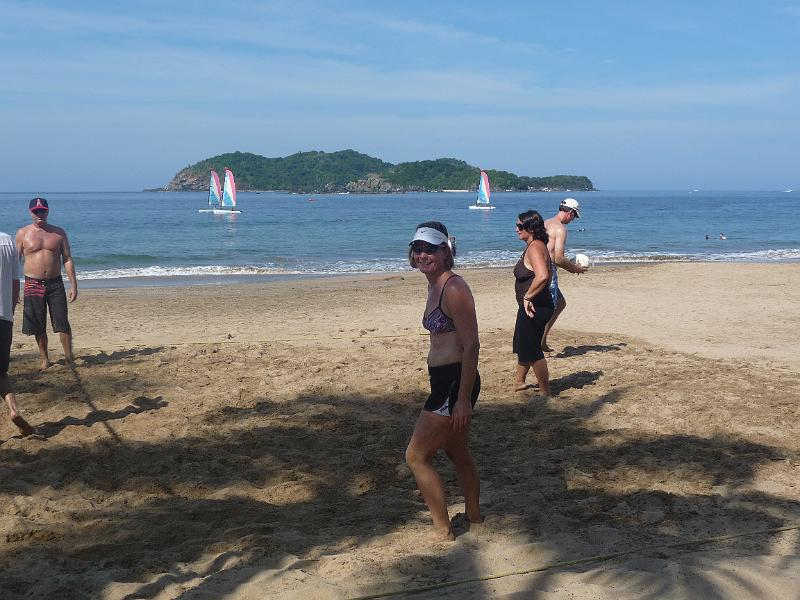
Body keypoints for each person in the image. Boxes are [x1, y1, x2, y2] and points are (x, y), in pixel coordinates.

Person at [405, 221, 482, 540]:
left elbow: (471, 344)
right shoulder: (434, 282)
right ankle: (475, 517)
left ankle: (443, 530)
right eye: (417, 249)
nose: (423, 255)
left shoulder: (454, 288)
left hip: (454, 382)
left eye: (430, 249)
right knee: (457, 452)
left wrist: (462, 398)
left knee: (416, 456)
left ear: (445, 251)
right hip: (444, 380)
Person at [15, 198, 78, 370]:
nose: (39, 214)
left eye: (42, 210)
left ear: (48, 211)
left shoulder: (58, 233)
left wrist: (73, 284)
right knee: (37, 323)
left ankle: (69, 357)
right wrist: (13, 287)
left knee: (62, 322)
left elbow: (67, 259)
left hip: (55, 283)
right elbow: (14, 262)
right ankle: (45, 359)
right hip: (32, 283)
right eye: (36, 211)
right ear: (30, 212)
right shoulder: (23, 233)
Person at [513, 211, 555, 396]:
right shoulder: (537, 245)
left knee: (531, 349)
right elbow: (550, 273)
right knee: (523, 344)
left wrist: (528, 297)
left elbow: (543, 276)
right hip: (533, 305)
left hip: (535, 307)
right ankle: (519, 381)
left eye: (520, 226)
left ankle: (545, 391)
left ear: (531, 229)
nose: (516, 229)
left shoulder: (535, 247)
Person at [541, 198, 587, 352]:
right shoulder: (560, 229)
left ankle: (542, 339)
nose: (573, 219)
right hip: (548, 271)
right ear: (570, 212)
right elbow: (558, 258)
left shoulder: (545, 223)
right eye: (574, 216)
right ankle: (537, 341)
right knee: (548, 308)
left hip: (537, 268)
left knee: (560, 303)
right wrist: (575, 268)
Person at [1, 230, 35, 436]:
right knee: (1, 372)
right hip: (3, 316)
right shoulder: (6, 241)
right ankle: (14, 410)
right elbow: (15, 283)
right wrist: (10, 312)